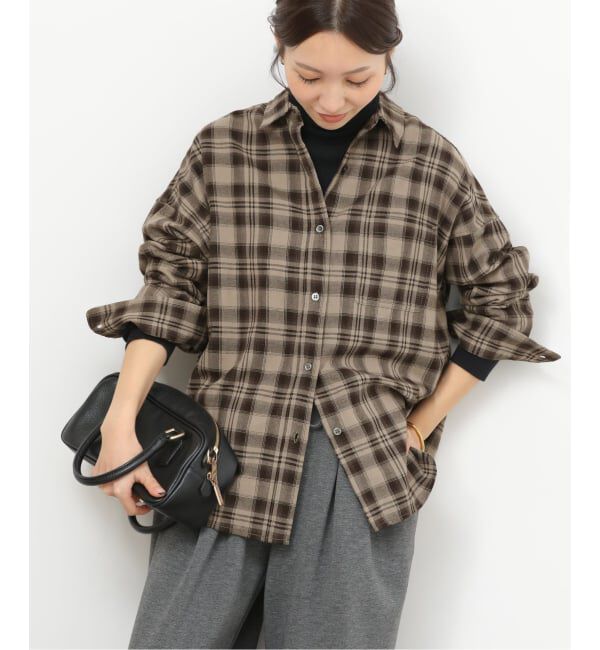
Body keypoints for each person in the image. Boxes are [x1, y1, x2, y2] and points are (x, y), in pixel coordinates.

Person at [85, 1, 561, 648]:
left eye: (358, 78)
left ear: (389, 56)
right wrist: (120, 425)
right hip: (223, 460)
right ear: (280, 50)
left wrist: (420, 426)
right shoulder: (225, 149)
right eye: (307, 75)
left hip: (359, 470)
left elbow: (501, 298)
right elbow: (170, 288)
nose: (331, 99)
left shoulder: (430, 165)